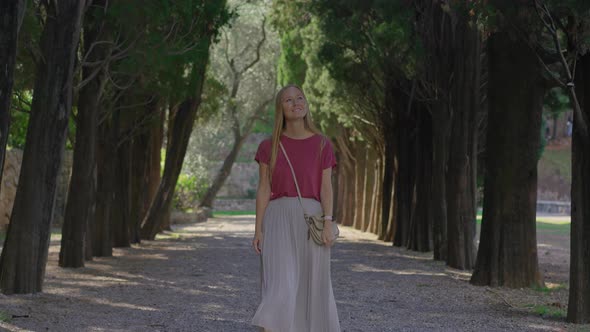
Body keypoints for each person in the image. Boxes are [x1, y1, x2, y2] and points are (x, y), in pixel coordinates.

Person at [251, 84, 341, 332]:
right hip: (277, 219)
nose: (296, 103)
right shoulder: (268, 146)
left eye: (300, 98)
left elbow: (326, 188)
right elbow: (263, 189)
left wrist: (328, 222)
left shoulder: (323, 144)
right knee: (279, 288)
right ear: (281, 109)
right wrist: (258, 229)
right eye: (289, 100)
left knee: (312, 289)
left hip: (311, 220)